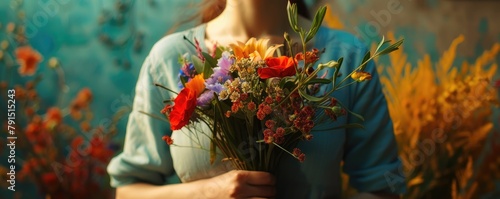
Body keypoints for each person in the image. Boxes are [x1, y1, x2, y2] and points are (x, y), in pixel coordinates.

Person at [107, 0, 406, 198]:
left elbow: (382, 187)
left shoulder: (347, 57)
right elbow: (129, 190)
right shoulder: (170, 58)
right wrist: (207, 192)